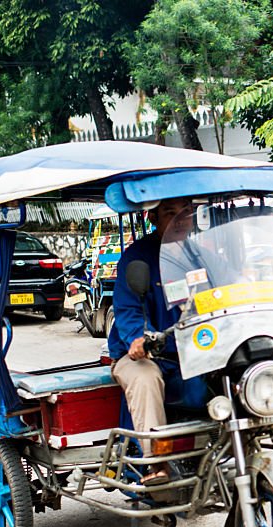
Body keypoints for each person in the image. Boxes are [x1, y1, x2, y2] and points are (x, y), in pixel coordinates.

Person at [108, 196, 191, 485]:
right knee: (145, 378)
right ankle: (157, 466)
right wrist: (138, 337)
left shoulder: (201, 255)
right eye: (170, 213)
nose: (180, 219)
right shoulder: (137, 258)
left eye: (186, 212)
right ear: (153, 219)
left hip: (194, 351)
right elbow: (128, 310)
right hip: (143, 354)